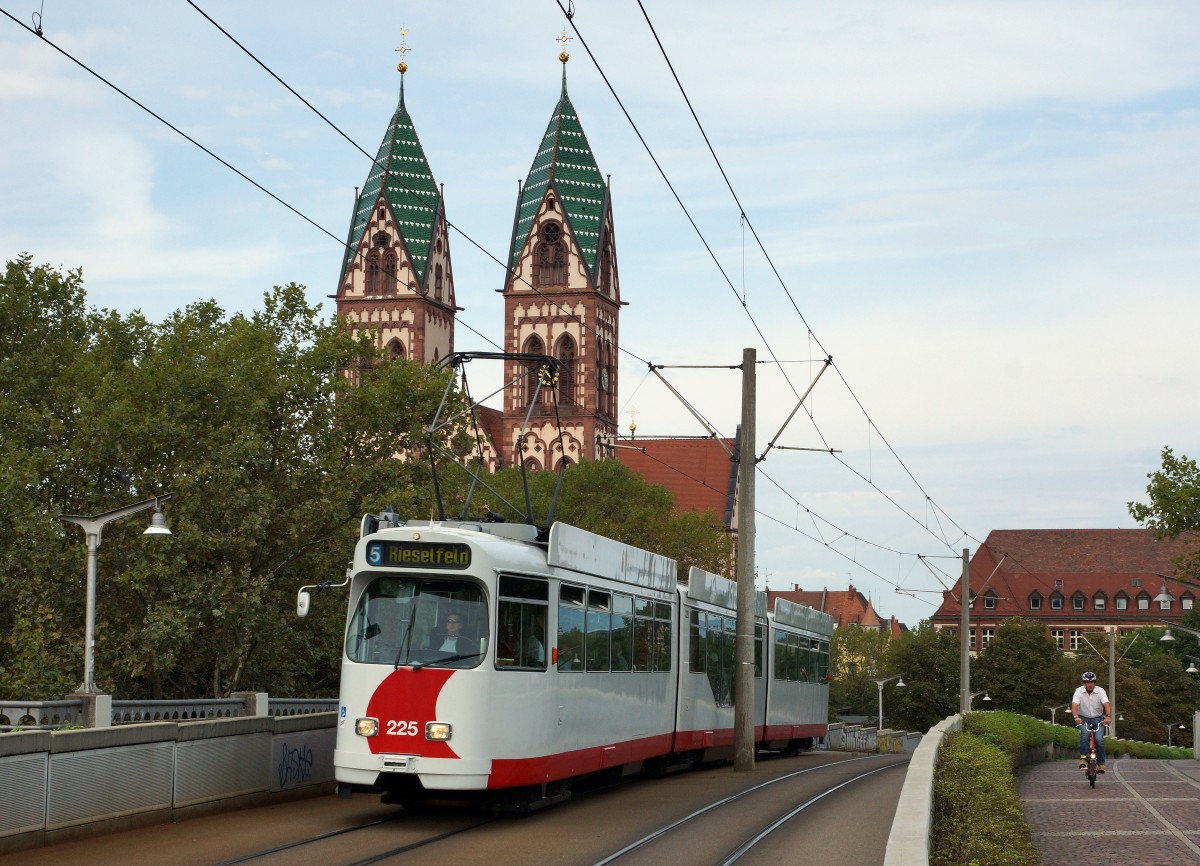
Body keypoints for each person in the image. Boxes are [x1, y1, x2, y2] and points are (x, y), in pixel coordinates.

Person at [1071, 671, 1111, 772]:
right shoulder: (1078, 691)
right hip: (1083, 718)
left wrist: (1108, 717)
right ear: (1084, 683)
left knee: (1099, 739)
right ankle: (1083, 759)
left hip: (1098, 718)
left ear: (1095, 682)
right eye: (1088, 682)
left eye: (1092, 682)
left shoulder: (1100, 691)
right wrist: (1076, 717)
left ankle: (1101, 764)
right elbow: (1074, 705)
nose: (1090, 684)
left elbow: (1106, 704)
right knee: (1085, 734)